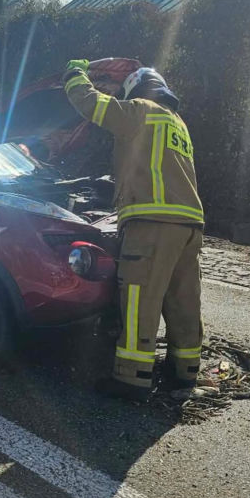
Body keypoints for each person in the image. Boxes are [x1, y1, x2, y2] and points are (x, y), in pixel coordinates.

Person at [62, 60, 205, 401]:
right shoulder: (178, 124)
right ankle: (183, 374)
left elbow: (92, 105)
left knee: (140, 299)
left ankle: (132, 379)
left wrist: (74, 75)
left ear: (136, 91)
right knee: (183, 301)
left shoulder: (140, 110)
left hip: (152, 222)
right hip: (189, 224)